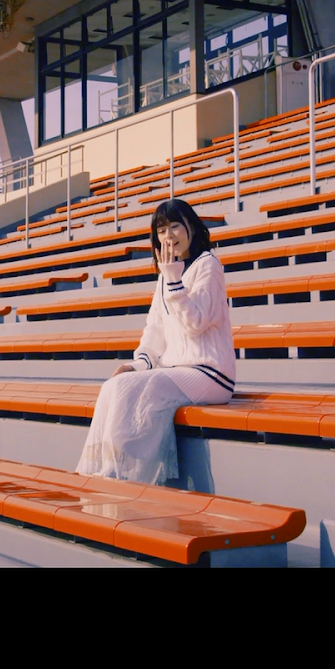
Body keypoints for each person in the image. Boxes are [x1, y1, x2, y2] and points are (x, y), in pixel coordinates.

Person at [76, 197, 235, 484]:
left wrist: (173, 279)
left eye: (175, 226)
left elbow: (196, 323)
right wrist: (138, 365)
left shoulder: (208, 264)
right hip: (178, 371)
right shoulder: (166, 276)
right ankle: (107, 472)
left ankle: (121, 476)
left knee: (134, 390)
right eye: (161, 230)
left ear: (192, 228)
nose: (168, 236)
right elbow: (155, 330)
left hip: (210, 373)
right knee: (115, 385)